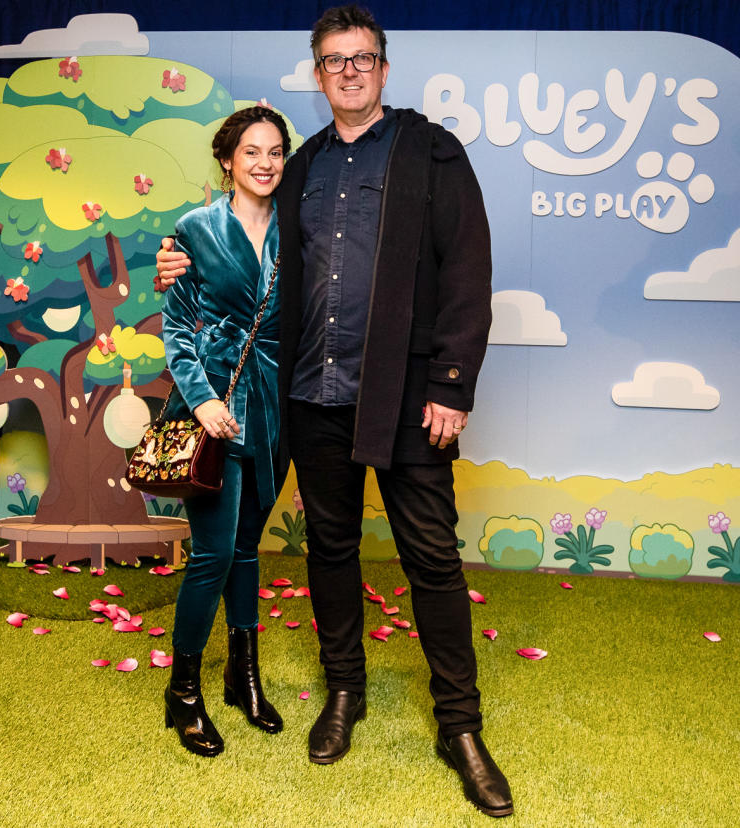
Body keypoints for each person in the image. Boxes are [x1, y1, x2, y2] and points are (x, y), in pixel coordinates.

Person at [157, 6, 511, 816]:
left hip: (409, 400)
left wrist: (452, 386)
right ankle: (343, 694)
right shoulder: (303, 164)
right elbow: (242, 252)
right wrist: (176, 265)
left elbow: (468, 272)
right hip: (314, 399)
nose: (348, 72)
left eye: (362, 59)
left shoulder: (434, 152)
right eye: (333, 61)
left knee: (433, 560)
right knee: (333, 551)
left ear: (384, 70)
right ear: (317, 76)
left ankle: (459, 727)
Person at [159, 105, 290, 757]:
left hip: (275, 414)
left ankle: (244, 676)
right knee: (212, 553)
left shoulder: (303, 233)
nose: (265, 163)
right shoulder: (195, 229)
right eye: (252, 152)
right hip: (215, 408)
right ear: (227, 162)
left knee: (245, 548)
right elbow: (176, 327)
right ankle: (183, 693)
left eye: (275, 152)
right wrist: (203, 399)